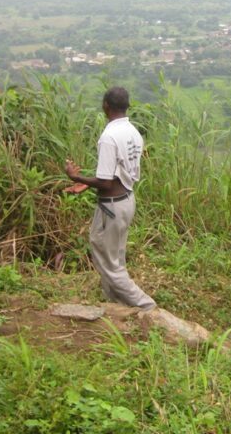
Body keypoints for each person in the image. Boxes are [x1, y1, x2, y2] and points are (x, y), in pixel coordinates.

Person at [65, 87, 156, 311]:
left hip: (112, 207)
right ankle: (114, 302)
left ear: (105, 105)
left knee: (109, 262)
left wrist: (76, 176)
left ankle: (147, 306)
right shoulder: (133, 132)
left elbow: (105, 182)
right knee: (108, 249)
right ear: (127, 105)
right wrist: (87, 184)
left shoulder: (108, 137)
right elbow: (117, 173)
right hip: (124, 200)